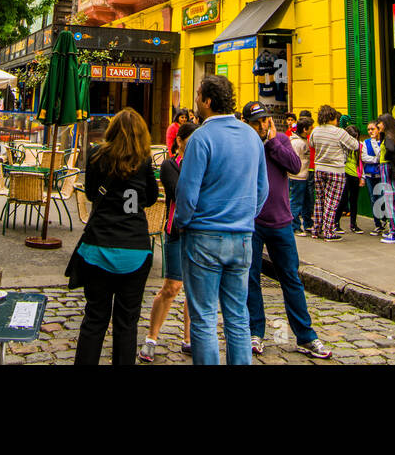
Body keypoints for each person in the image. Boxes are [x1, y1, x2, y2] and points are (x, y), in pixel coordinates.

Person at [175, 74, 267, 366]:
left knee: (203, 317)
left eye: (199, 95)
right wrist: (245, 217)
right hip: (241, 237)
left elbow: (187, 193)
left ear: (208, 101)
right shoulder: (252, 136)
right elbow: (262, 189)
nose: (197, 101)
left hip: (204, 235)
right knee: (238, 316)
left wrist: (181, 223)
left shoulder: (201, 137)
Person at [68, 108, 158, 365]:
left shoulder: (97, 155)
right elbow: (151, 197)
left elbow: (90, 193)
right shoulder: (143, 160)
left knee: (94, 319)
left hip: (98, 248)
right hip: (135, 250)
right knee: (127, 323)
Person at [242, 103, 331, 359]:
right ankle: (254, 332)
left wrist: (272, 143)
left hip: (280, 222)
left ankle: (306, 335)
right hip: (253, 223)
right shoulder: (247, 145)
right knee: (251, 280)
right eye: (256, 122)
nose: (261, 126)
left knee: (291, 279)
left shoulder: (280, 141)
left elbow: (294, 165)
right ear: (248, 123)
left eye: (264, 120)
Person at [138, 121, 195, 362]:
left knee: (195, 291)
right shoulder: (170, 165)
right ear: (180, 141)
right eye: (190, 141)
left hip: (201, 233)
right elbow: (179, 192)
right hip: (176, 232)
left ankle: (190, 339)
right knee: (172, 287)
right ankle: (151, 337)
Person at [308, 106, 355, 240]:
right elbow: (354, 145)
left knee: (320, 200)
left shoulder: (315, 131)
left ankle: (316, 229)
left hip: (319, 168)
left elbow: (311, 144)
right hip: (335, 170)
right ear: (332, 118)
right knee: (332, 201)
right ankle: (328, 231)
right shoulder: (339, 132)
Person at [376, 113, 395, 243]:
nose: (378, 125)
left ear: (386, 124)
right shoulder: (394, 136)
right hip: (394, 171)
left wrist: (386, 158)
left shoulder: (389, 138)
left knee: (391, 202)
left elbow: (389, 150)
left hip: (389, 171)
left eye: (380, 123)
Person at [335, 118, 365, 235]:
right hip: (345, 173)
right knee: (342, 200)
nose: (354, 139)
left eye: (356, 137)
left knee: (354, 201)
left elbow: (361, 162)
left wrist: (361, 176)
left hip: (355, 174)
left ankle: (353, 224)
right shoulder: (342, 146)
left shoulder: (359, 146)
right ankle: (336, 223)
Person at [288, 117, 314, 236]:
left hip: (303, 175)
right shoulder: (297, 143)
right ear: (305, 129)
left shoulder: (303, 140)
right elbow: (293, 160)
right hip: (297, 176)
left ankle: (308, 223)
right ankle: (295, 226)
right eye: (311, 127)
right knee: (296, 202)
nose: (312, 129)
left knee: (306, 202)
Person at [361, 119, 386, 235]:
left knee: (382, 198)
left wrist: (376, 158)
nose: (370, 131)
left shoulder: (383, 142)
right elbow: (364, 157)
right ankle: (377, 224)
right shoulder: (365, 143)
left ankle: (385, 219)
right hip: (370, 174)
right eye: (368, 129)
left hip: (381, 175)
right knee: (373, 199)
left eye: (373, 129)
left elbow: (382, 155)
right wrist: (376, 160)